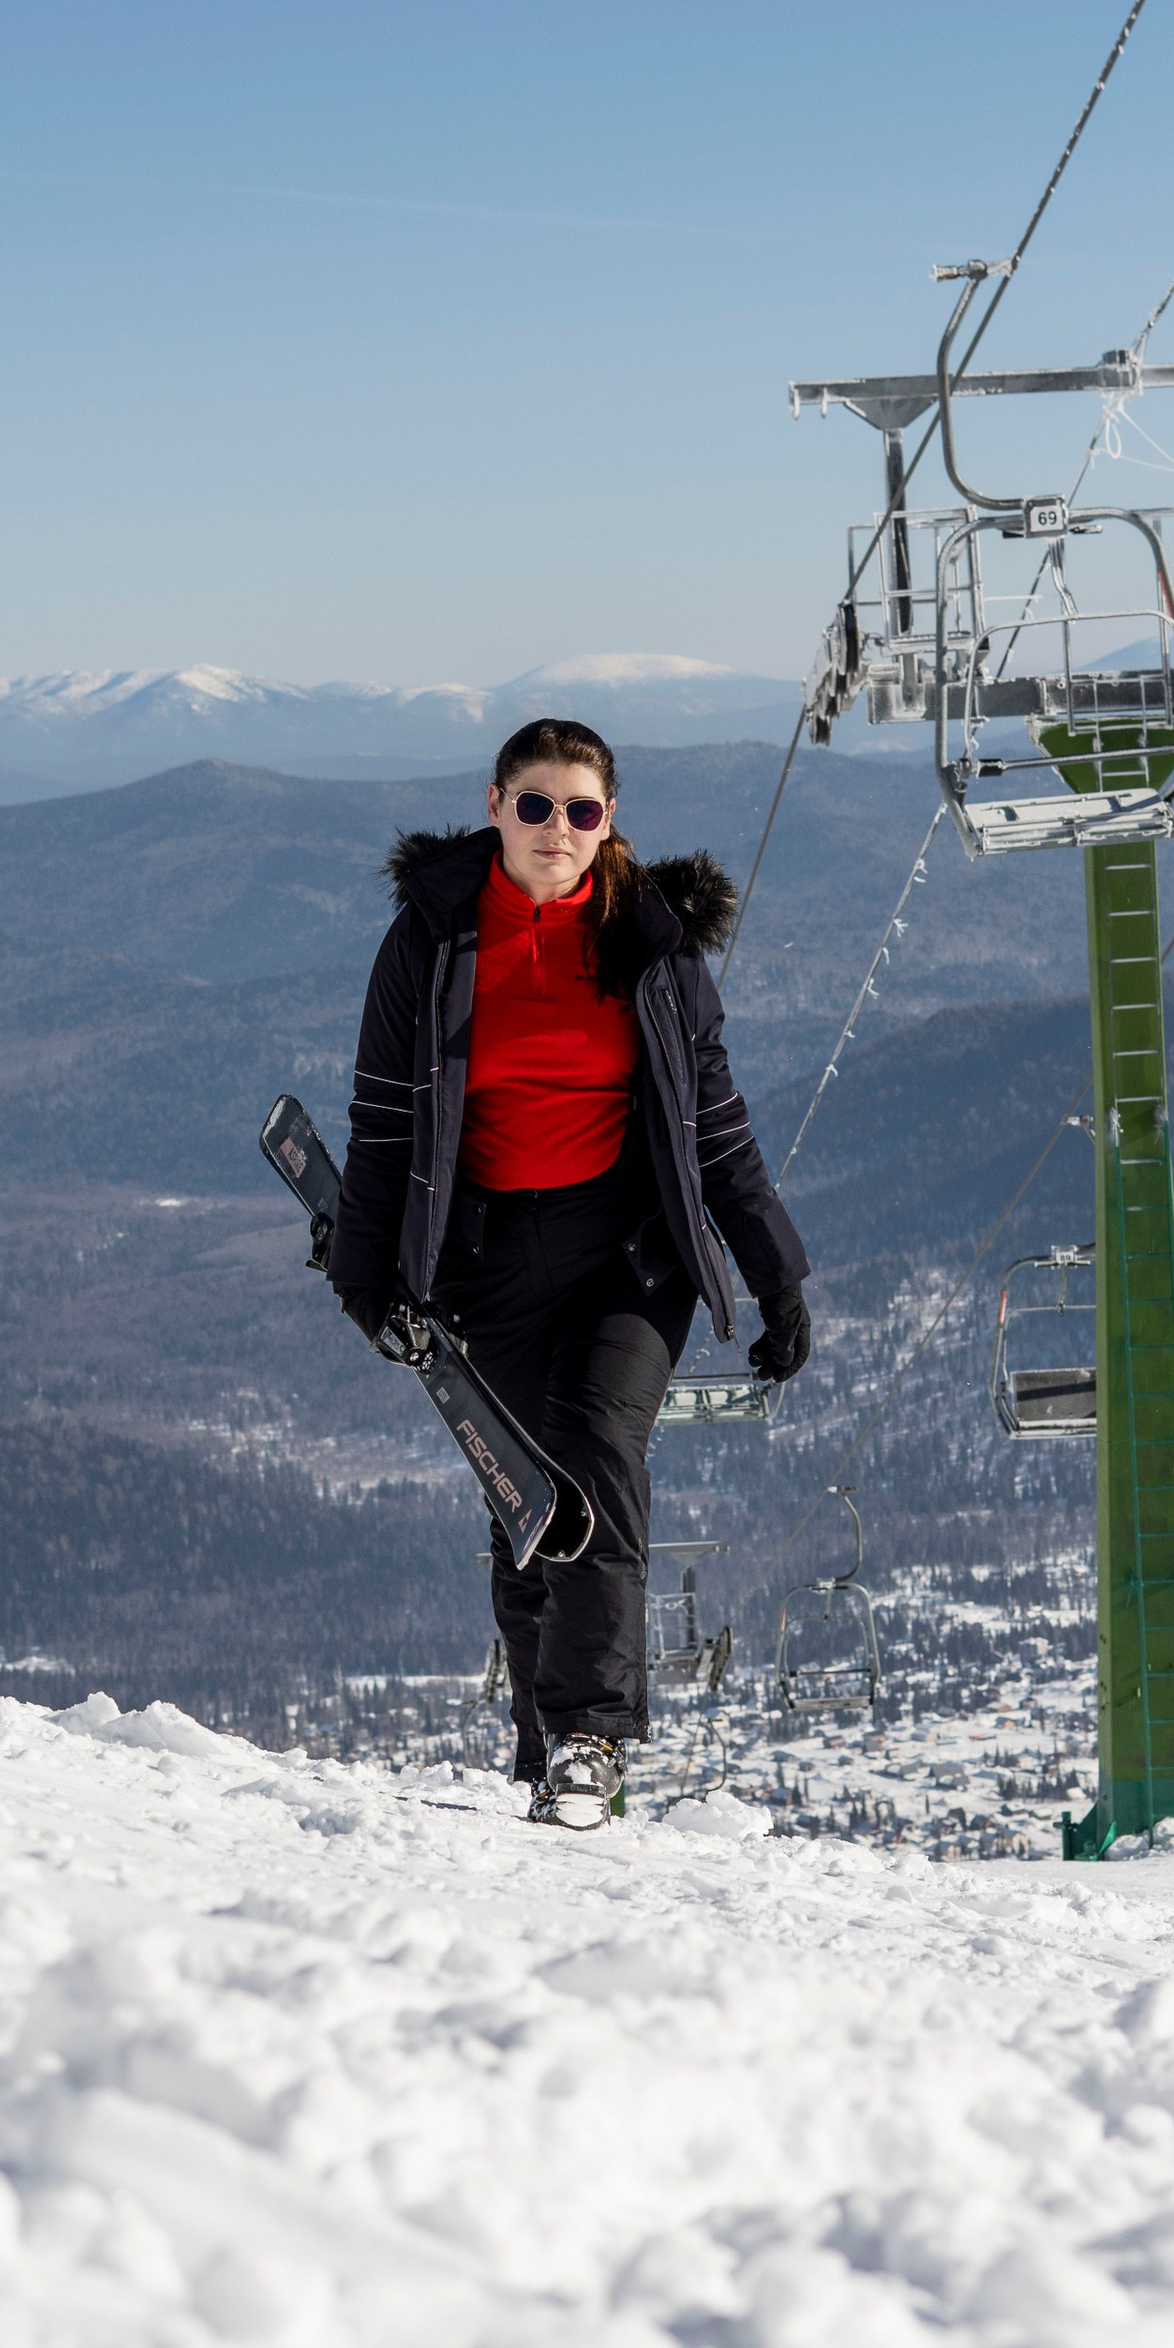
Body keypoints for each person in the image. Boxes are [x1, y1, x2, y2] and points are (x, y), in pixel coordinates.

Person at [330, 716, 810, 1831]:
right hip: (487, 1255)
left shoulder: (652, 945)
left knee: (593, 1457)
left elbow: (717, 1126)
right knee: (525, 1499)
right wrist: (367, 1274)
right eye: (536, 804)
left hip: (627, 1256)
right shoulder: (433, 939)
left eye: (582, 810)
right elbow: (385, 1116)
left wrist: (775, 1275)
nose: (558, 828)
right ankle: (544, 1745)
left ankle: (591, 1738)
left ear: (610, 825)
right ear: (493, 804)